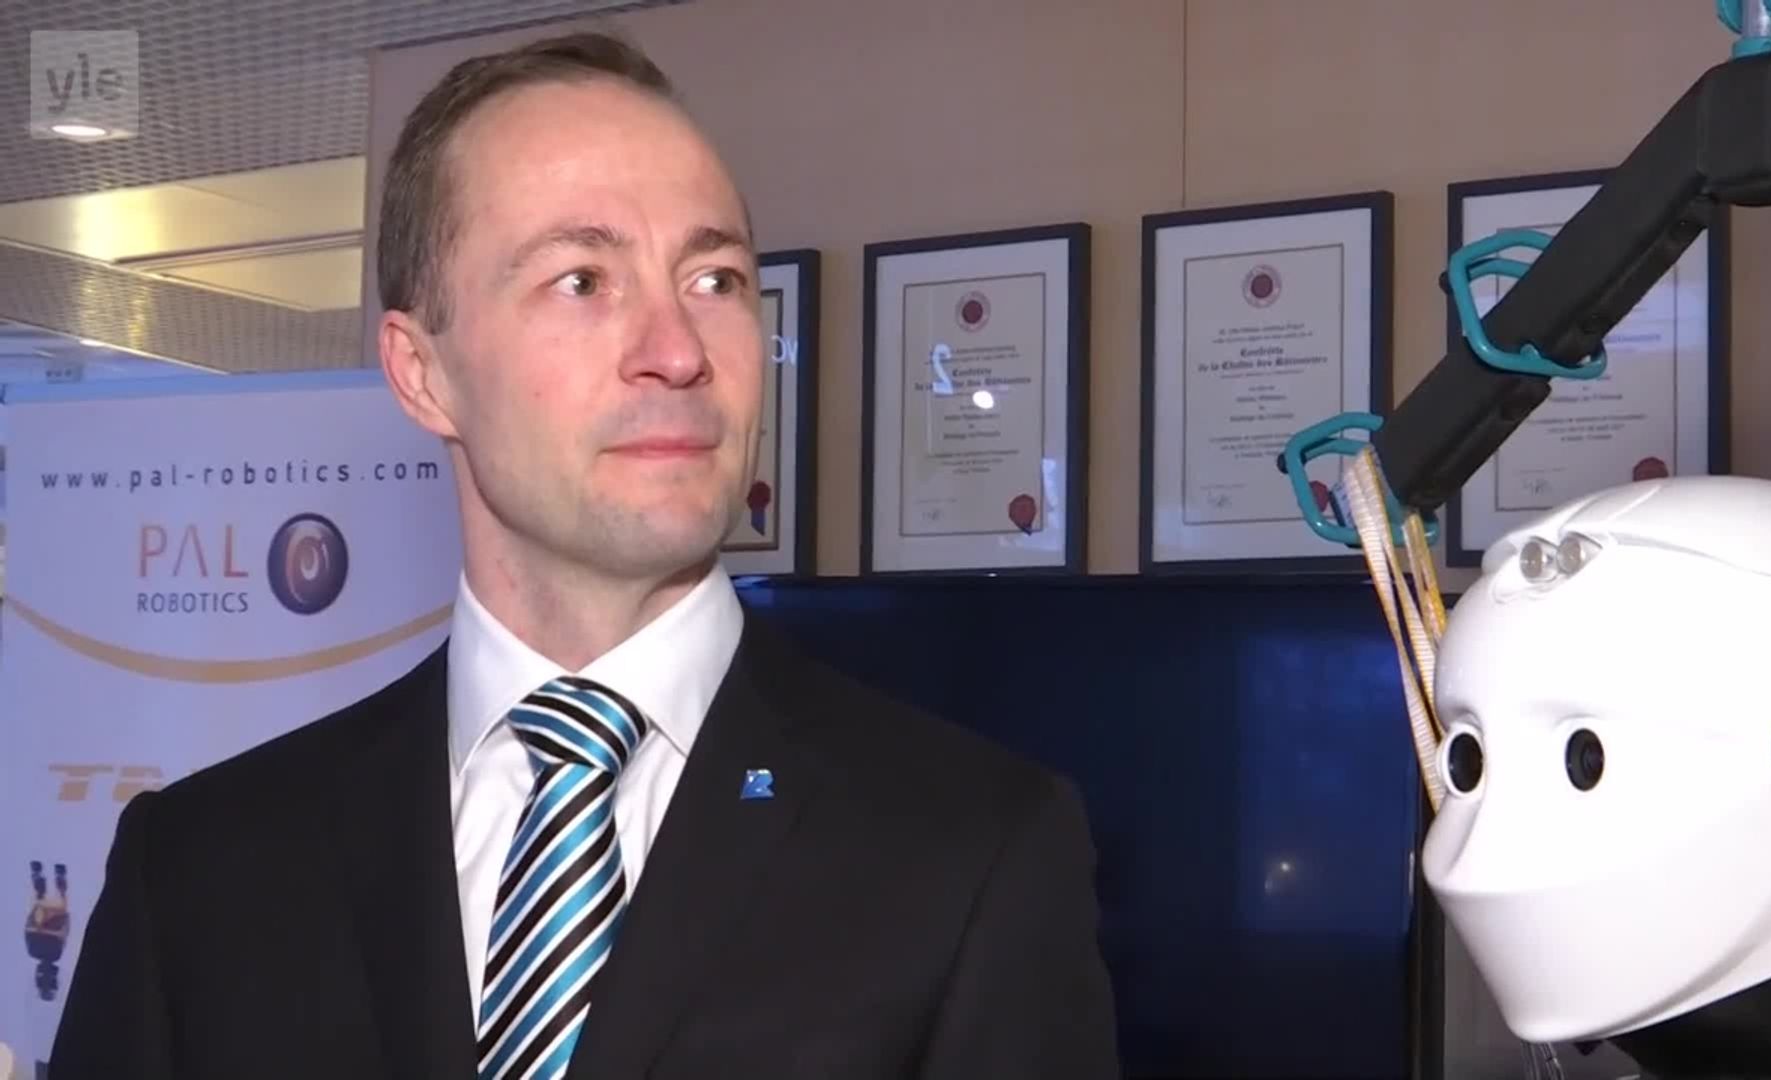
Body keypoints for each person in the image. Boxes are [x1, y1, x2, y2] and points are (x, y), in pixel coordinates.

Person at [49, 30, 1119, 1080]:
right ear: (422, 372)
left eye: (716, 280)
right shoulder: (197, 871)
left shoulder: (974, 854)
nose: (679, 351)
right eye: (582, 280)